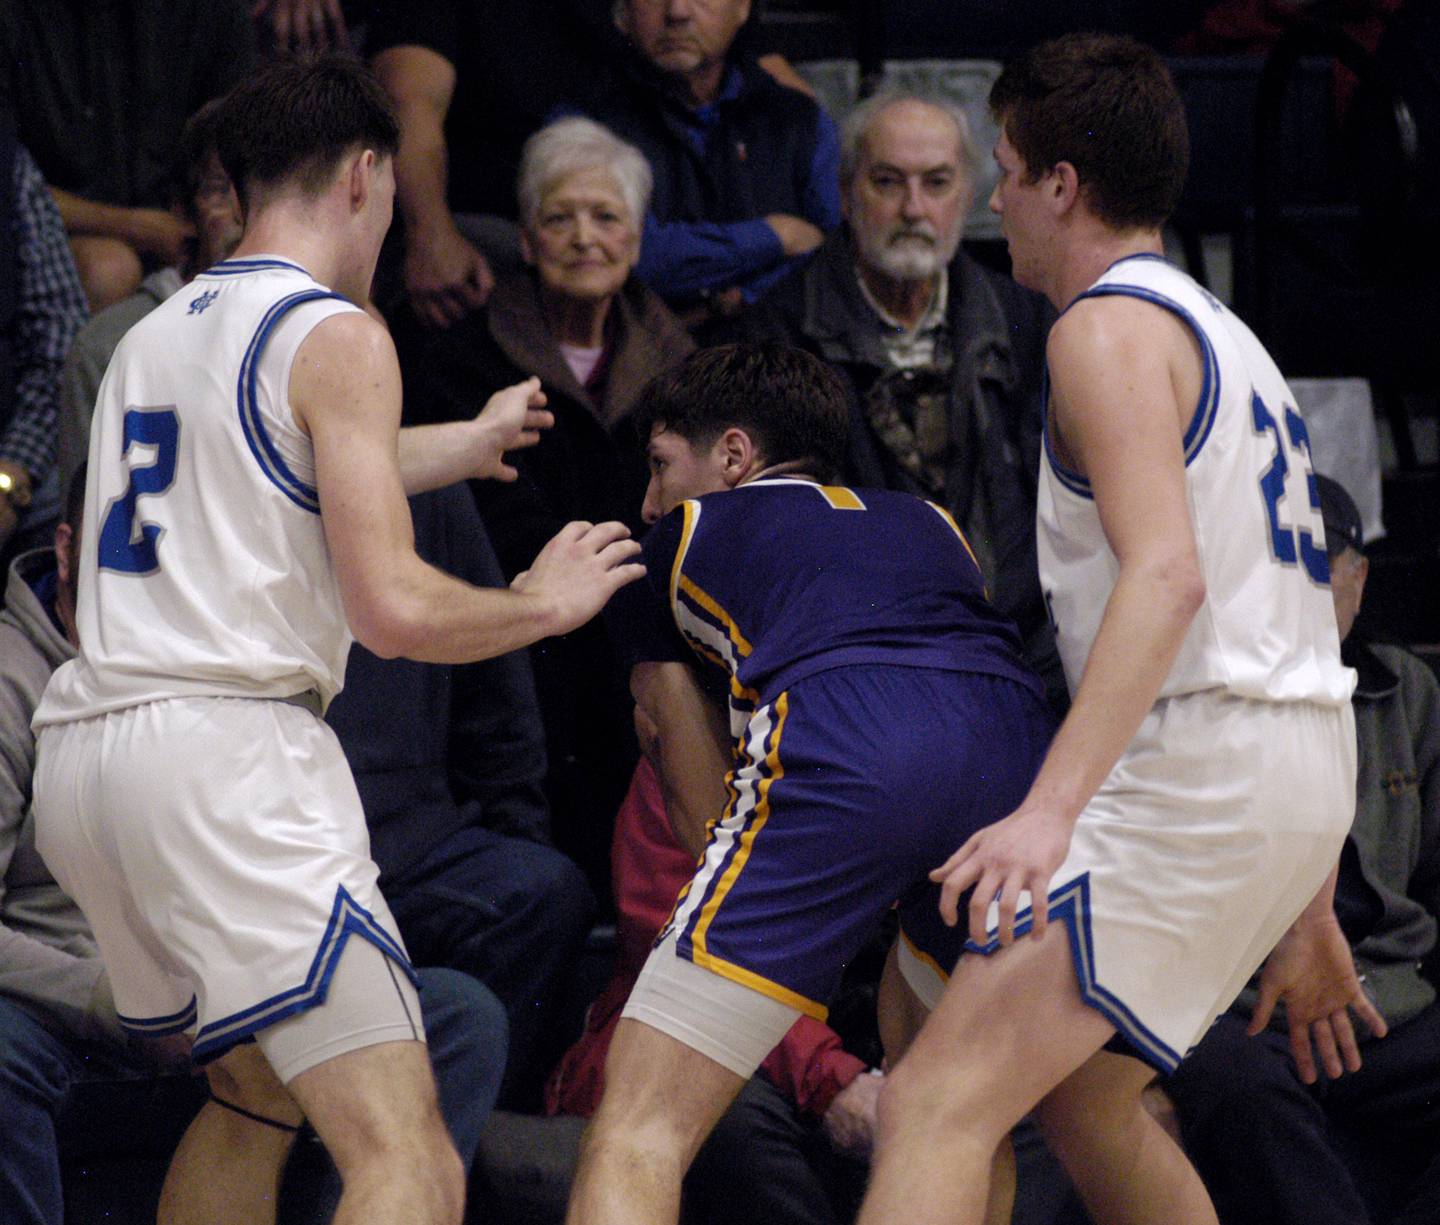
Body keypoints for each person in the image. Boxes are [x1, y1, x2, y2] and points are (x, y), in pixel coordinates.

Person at [31, 55, 642, 1225]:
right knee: (408, 1154)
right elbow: (396, 611)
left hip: (98, 760)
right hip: (228, 764)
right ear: (370, 175)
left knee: (257, 1096)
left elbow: (278, 467)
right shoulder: (337, 329)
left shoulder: (151, 336)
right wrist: (539, 603)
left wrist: (458, 443)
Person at [855, 34, 1384, 1225]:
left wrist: (1048, 809)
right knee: (1086, 1096)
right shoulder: (1229, 334)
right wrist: (1299, 892)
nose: (996, 199)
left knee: (931, 1101)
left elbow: (1169, 582)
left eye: (1005, 168)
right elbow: (1273, 619)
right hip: (1293, 765)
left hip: (1202, 770)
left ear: (1063, 183)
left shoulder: (1101, 330)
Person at [563, 342, 1054, 1225]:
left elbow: (697, 794)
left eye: (662, 466)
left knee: (640, 1119)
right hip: (1016, 761)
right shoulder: (935, 521)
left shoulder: (675, 538)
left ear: (736, 457)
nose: (647, 499)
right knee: (954, 1119)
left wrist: (786, 916)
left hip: (848, 742)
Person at [0, 465, 507, 1225]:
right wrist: (110, 1000)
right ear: (71, 547)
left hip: (234, 983)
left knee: (456, 1015)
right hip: (77, 1009)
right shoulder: (12, 678)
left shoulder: (223, 646)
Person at [396, 115, 694, 902]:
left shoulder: (684, 365)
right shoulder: (464, 358)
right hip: (515, 637)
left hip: (637, 635)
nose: (584, 238)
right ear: (525, 240)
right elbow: (485, 521)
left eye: (606, 217)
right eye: (559, 218)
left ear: (636, 237)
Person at [1164, 474, 1440, 1225]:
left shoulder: (1407, 690)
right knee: (1235, 1088)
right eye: (1279, 567)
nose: (1301, 590)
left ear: (1357, 576)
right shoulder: (1194, 691)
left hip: (1387, 989)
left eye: (1321, 566)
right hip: (1243, 1003)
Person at [745, 89, 1062, 706]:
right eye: (887, 182)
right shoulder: (777, 336)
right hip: (858, 672)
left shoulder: (1029, 324)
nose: (914, 208)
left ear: (968, 195)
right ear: (843, 193)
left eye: (937, 183)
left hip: (1021, 661)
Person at [326, 482, 598, 1109]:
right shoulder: (237, 475)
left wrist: (519, 831)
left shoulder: (427, 484)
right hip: (274, 832)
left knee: (539, 889)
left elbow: (498, 701)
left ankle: (458, 1134)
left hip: (411, 841)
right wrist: (538, 604)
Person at [582, 0, 841, 321]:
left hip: (781, 352)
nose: (677, 11)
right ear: (622, 13)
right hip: (636, 353)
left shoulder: (799, 121)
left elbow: (839, 253)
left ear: (743, 8)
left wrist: (747, 295)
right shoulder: (585, 127)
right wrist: (774, 237)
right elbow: (612, 255)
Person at [0, 0, 258, 311]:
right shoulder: (17, 18)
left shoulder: (207, 14)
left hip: (190, 222)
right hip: (58, 235)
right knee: (110, 267)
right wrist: (136, 227)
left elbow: (242, 142)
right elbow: (14, 189)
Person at [57, 98, 245, 498]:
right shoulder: (109, 348)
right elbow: (89, 527)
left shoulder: (324, 328)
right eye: (219, 190)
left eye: (262, 188)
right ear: (183, 212)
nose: (243, 212)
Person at [0, 132, 88, 570]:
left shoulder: (8, 163)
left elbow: (58, 331)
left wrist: (10, 477)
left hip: (7, 454)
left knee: (72, 508)